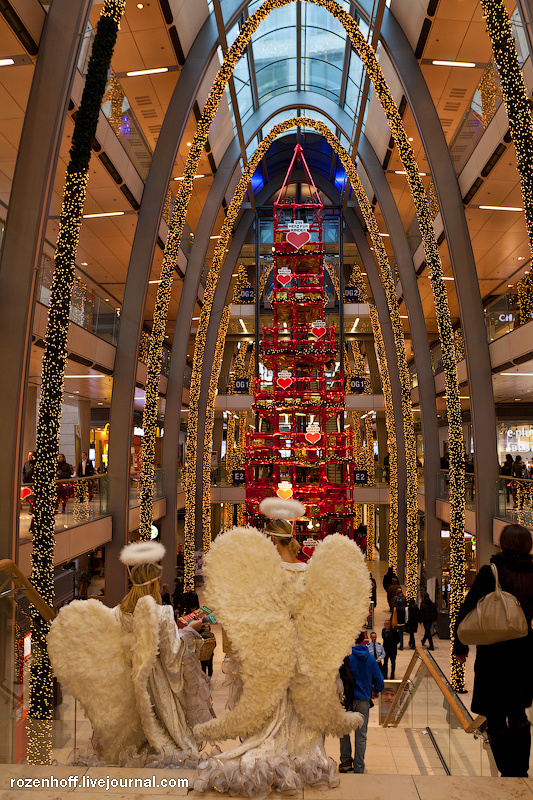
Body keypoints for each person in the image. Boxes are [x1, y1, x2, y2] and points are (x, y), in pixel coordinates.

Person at [192, 496, 370, 796]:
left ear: (273, 542)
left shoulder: (269, 577)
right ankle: (303, 755)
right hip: (306, 660)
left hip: (274, 658)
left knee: (271, 718)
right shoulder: (309, 573)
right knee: (301, 718)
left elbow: (256, 617)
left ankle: (273, 752)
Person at [48, 540, 212, 765]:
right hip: (156, 683)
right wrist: (190, 632)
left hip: (128, 680)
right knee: (165, 733)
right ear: (154, 584)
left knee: (134, 731)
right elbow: (172, 655)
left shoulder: (119, 611)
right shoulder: (161, 613)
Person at [453, 524, 533, 778]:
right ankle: (520, 769)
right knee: (519, 713)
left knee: (496, 717)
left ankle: (506, 770)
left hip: (493, 655)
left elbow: (467, 609)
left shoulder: (491, 572)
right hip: (523, 654)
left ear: (503, 544)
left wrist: (460, 645)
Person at [341, 631, 384, 774]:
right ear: (364, 639)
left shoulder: (346, 658)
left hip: (347, 701)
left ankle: (346, 761)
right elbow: (380, 682)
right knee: (361, 735)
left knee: (344, 732)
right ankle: (359, 767)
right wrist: (374, 690)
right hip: (363, 701)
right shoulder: (370, 659)